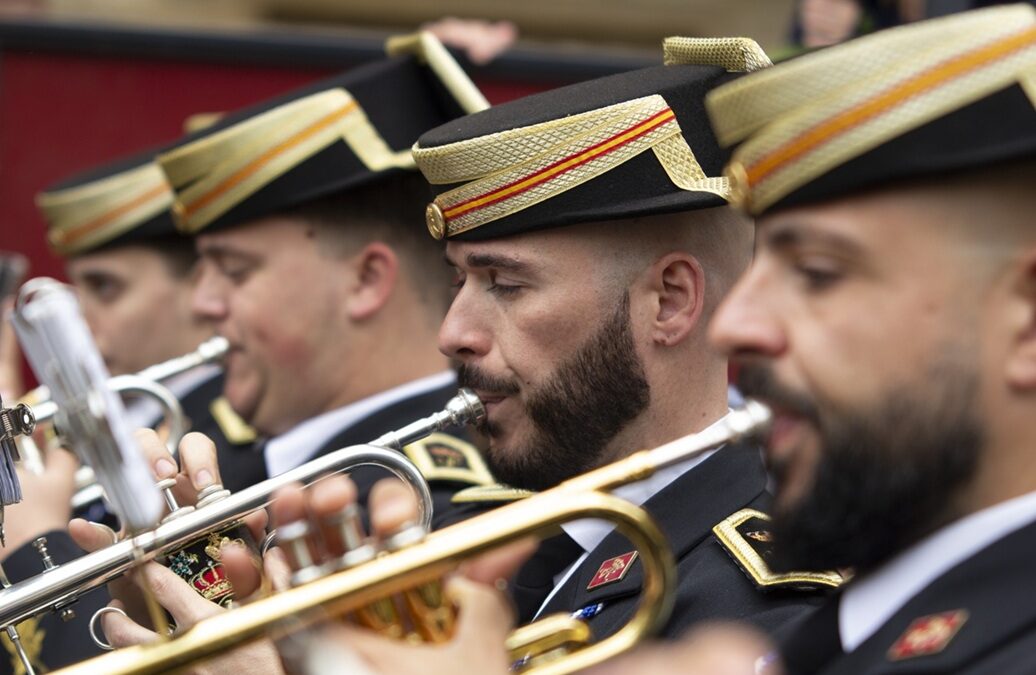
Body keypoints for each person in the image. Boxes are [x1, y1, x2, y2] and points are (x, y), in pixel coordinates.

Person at [0, 151, 260, 674]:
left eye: (105, 288)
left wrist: (32, 543)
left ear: (199, 288)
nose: (77, 321)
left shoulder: (232, 444)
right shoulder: (61, 430)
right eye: (73, 289)